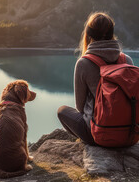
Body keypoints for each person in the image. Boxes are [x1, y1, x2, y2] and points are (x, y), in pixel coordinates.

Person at [57, 12, 133, 145]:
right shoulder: (126, 60)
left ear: (89, 34)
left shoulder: (84, 63)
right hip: (130, 134)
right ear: (111, 33)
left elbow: (80, 107)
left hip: (99, 136)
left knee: (62, 111)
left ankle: (88, 141)